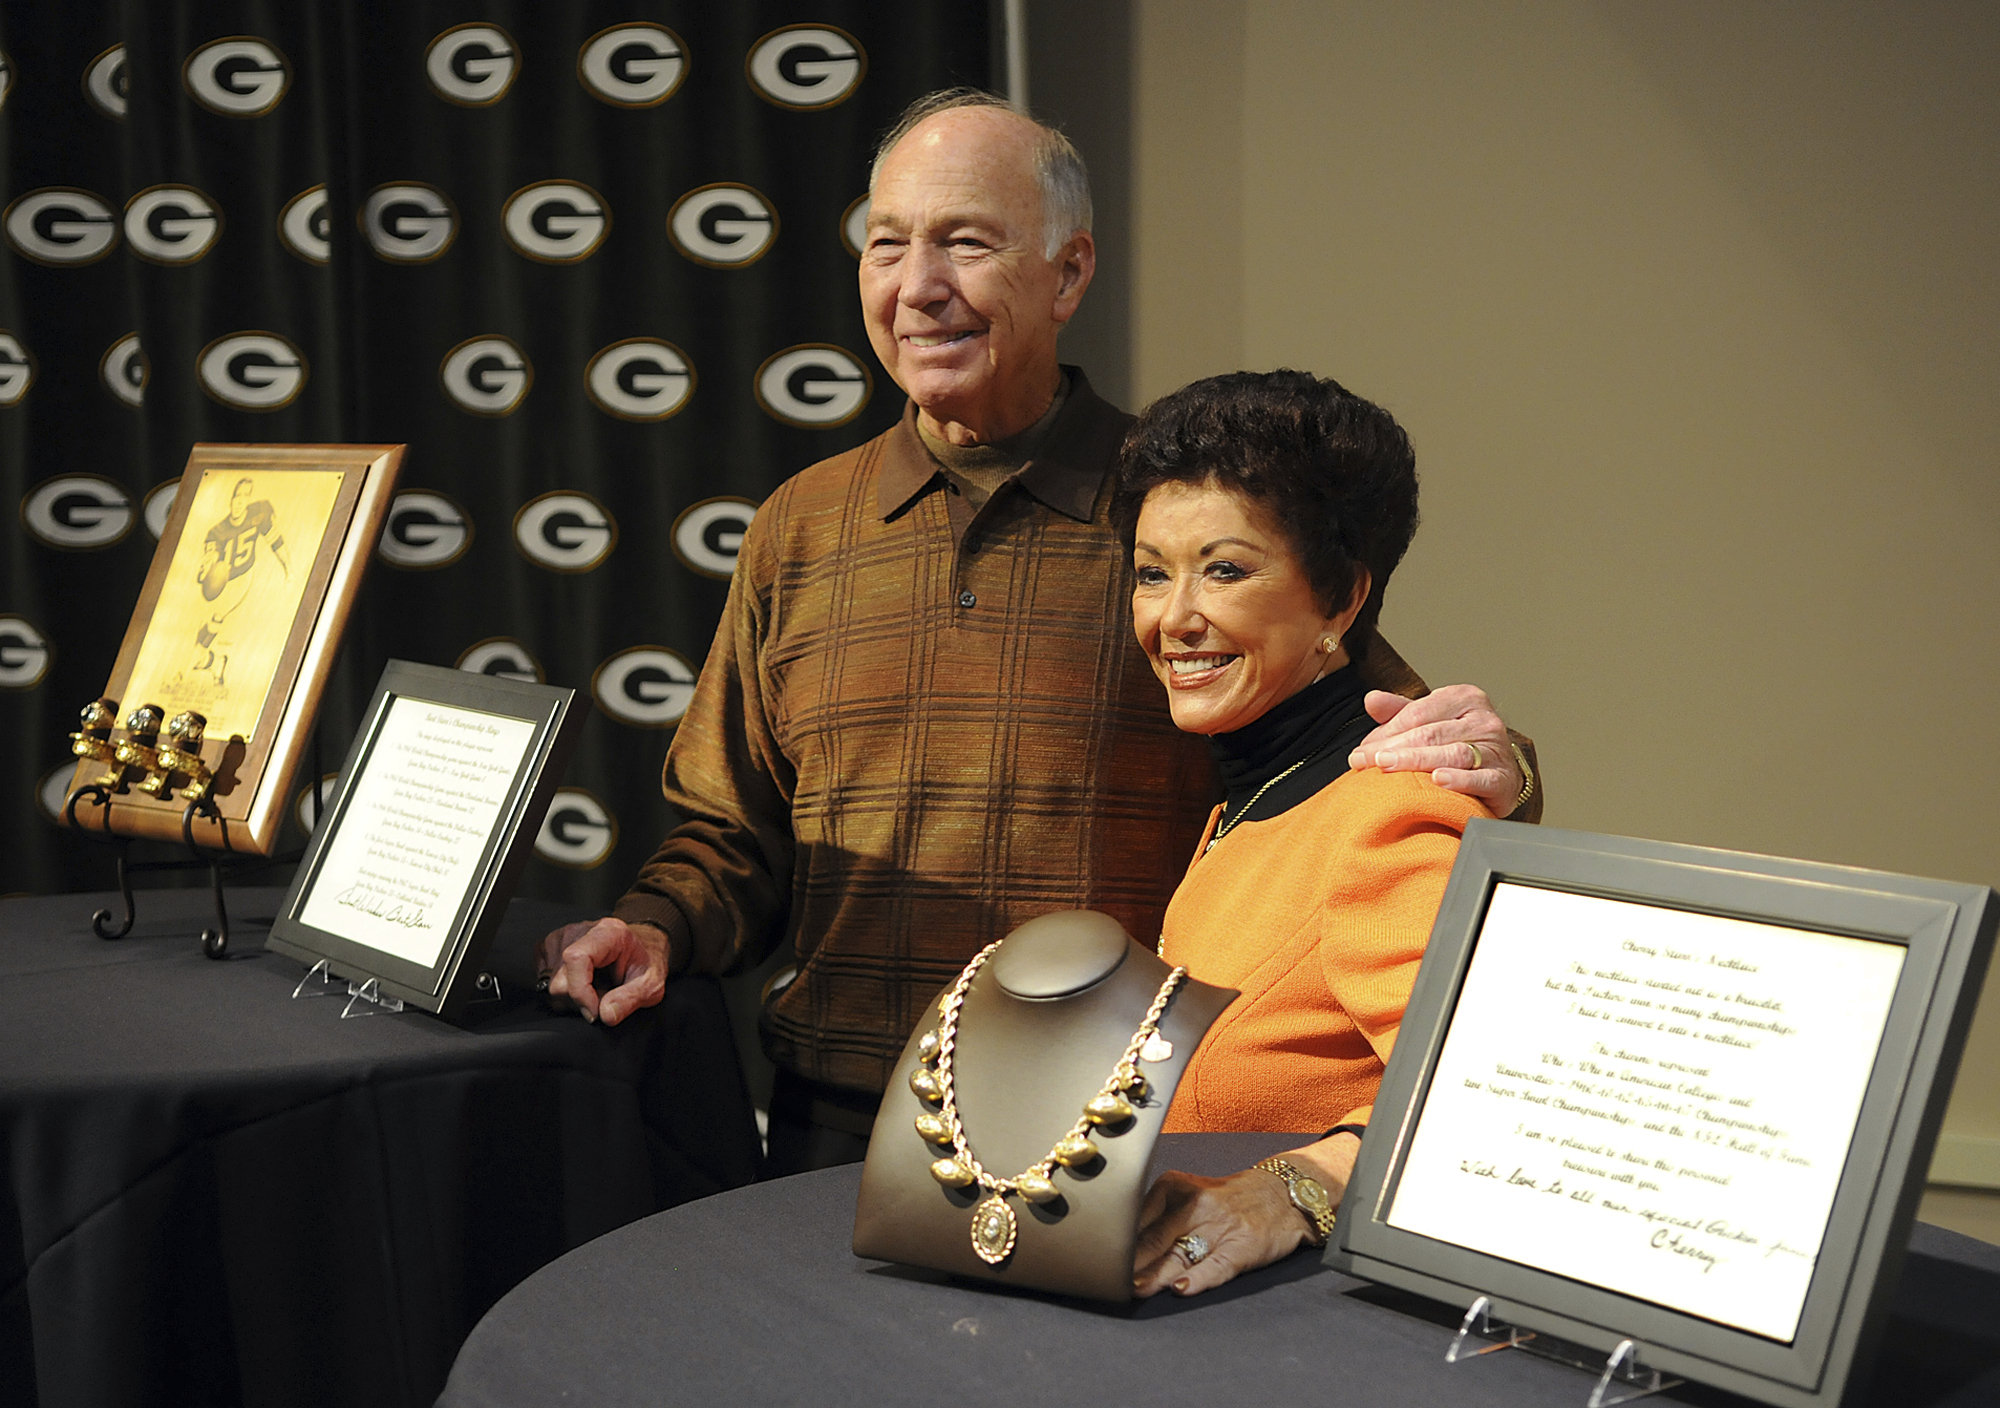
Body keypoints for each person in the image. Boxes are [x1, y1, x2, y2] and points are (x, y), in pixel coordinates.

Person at [541, 89, 1538, 1174]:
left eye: (965, 243)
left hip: (1107, 1141)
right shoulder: (799, 527)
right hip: (831, 1127)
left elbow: (1372, 736)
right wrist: (656, 925)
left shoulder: (1182, 509)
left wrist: (1502, 765)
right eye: (887, 246)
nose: (919, 288)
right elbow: (731, 832)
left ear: (1069, 273)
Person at [1114, 369, 1473, 1297]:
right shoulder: (1250, 798)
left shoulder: (1393, 810)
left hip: (1317, 1314)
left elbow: (1476, 1094)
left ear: (1341, 602)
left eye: (1224, 569)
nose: (1174, 617)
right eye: (1153, 572)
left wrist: (1300, 1193)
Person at [190, 476, 288, 688]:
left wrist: (288, 569)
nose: (240, 501)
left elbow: (276, 542)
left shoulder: (259, 514)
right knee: (193, 650)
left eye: (246, 496)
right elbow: (210, 557)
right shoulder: (217, 531)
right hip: (220, 582)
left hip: (241, 579)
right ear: (231, 500)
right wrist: (207, 566)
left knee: (201, 640)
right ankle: (216, 663)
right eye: (237, 496)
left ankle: (211, 658)